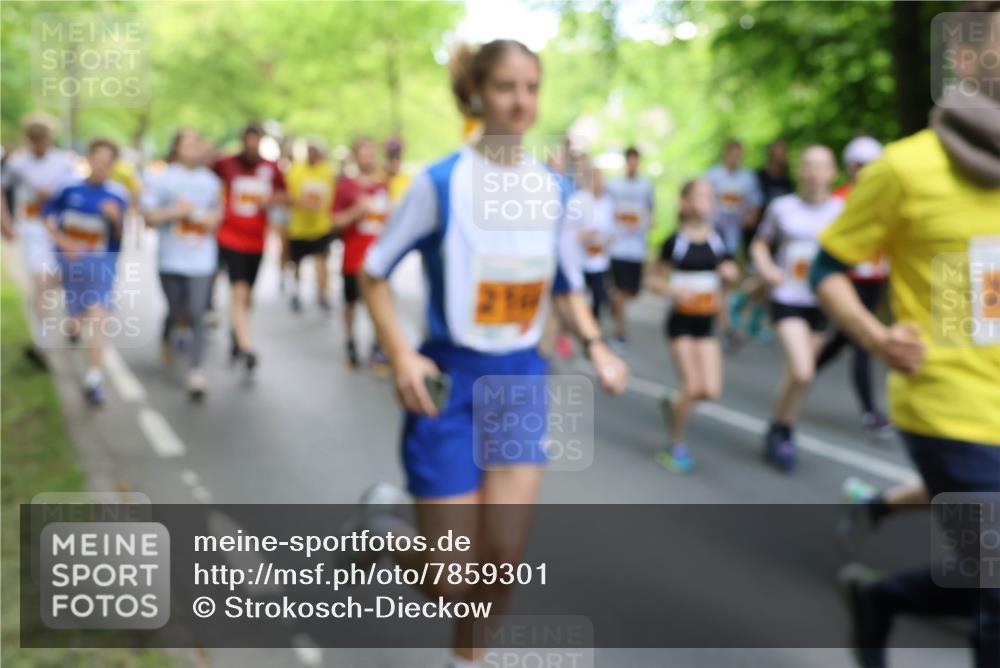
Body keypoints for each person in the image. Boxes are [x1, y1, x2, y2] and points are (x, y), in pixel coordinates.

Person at [354, 39, 628, 668]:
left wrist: (597, 348)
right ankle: (387, 530)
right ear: (477, 93)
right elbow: (373, 273)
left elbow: (564, 285)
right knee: (451, 579)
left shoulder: (555, 191)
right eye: (506, 86)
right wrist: (400, 355)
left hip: (520, 380)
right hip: (449, 382)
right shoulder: (439, 184)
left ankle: (466, 660)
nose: (520, 100)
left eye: (531, 87)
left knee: (502, 559)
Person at [813, 6, 999, 665]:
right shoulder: (905, 169)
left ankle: (882, 598)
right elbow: (828, 267)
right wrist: (874, 335)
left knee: (983, 578)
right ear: (969, 59)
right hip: (947, 409)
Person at [750, 145, 842, 471]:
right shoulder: (782, 207)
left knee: (801, 375)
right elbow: (761, 242)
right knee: (803, 370)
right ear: (800, 171)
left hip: (822, 303)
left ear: (832, 172)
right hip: (787, 298)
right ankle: (782, 428)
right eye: (809, 166)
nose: (815, 173)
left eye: (822, 167)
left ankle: (781, 428)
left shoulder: (843, 211)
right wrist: (767, 268)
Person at [646, 179, 738, 472]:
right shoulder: (676, 241)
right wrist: (673, 291)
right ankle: (675, 444)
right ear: (685, 203)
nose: (707, 201)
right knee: (692, 385)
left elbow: (727, 280)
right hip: (681, 322)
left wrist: (730, 276)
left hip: (706, 321)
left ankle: (673, 406)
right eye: (700, 196)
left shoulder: (718, 239)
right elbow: (653, 279)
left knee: (710, 390)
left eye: (710, 196)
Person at [43, 138, 129, 406]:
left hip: (101, 265)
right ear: (89, 158)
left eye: (108, 162)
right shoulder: (68, 188)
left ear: (113, 165)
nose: (102, 166)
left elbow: (120, 238)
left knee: (98, 316)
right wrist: (62, 242)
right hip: (71, 265)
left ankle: (93, 378)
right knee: (76, 316)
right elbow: (48, 216)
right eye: (98, 159)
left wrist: (116, 220)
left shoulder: (118, 195)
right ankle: (72, 326)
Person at [814, 136, 892, 435]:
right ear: (849, 167)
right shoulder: (839, 199)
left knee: (842, 340)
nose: (864, 171)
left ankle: (805, 372)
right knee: (862, 341)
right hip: (847, 281)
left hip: (875, 279)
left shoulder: (886, 196)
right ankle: (871, 412)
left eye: (869, 165)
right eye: (858, 165)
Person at [141, 128, 223, 401]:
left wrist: (214, 219)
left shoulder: (211, 181)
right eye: (187, 143)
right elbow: (149, 218)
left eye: (197, 142)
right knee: (178, 310)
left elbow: (218, 211)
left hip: (201, 258)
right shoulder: (161, 178)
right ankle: (169, 332)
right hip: (171, 259)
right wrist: (176, 212)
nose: (194, 147)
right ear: (176, 148)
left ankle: (196, 371)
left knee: (198, 312)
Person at [1, 112, 77, 366]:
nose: (39, 143)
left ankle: (71, 319)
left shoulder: (64, 162)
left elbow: (73, 196)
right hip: (33, 231)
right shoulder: (17, 164)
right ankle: (41, 341)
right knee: (42, 282)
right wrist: (6, 223)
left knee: (62, 281)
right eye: (34, 139)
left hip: (60, 231)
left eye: (43, 138)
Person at [212, 122, 287, 372]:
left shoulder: (271, 168)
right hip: (231, 237)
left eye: (256, 140)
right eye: (248, 139)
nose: (251, 144)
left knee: (248, 295)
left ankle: (237, 330)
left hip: (257, 241)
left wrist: (273, 199)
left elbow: (287, 196)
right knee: (239, 290)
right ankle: (246, 346)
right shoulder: (226, 164)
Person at [729, 139, 796, 344]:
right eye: (778, 151)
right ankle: (738, 302)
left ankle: (753, 318)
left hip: (780, 237)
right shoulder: (758, 177)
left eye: (784, 152)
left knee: (772, 280)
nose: (781, 155)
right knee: (762, 275)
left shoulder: (788, 182)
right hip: (759, 234)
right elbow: (750, 201)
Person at [332, 136, 391, 370]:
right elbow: (334, 221)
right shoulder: (346, 186)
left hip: (378, 259)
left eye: (371, 153)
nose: (368, 158)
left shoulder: (383, 186)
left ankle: (378, 347)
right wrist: (357, 210)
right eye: (363, 153)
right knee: (351, 303)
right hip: (352, 257)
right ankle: (350, 341)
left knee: (380, 303)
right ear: (356, 157)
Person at [704, 140, 763, 348]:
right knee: (713, 277)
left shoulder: (748, 178)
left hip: (732, 236)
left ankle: (722, 320)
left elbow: (754, 205)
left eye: (739, 154)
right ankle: (719, 320)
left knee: (726, 279)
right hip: (711, 234)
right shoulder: (713, 175)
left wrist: (749, 218)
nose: (735, 158)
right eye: (732, 154)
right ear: (726, 154)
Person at [606, 146, 655, 346]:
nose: (632, 164)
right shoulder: (614, 185)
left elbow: (651, 212)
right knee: (620, 290)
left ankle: (613, 301)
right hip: (618, 246)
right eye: (629, 160)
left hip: (637, 247)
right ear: (626, 162)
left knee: (632, 292)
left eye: (636, 161)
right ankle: (621, 330)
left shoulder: (646, 186)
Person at [285, 138, 335, 313]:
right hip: (298, 226)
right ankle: (296, 292)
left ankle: (323, 294)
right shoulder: (296, 170)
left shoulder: (327, 171)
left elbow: (331, 197)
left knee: (321, 260)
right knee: (297, 262)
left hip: (320, 226)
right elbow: (288, 195)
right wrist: (302, 201)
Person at [570, 163, 615, 321]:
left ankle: (593, 330)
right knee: (578, 296)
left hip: (599, 258)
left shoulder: (608, 203)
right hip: (579, 258)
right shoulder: (578, 200)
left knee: (597, 297)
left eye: (600, 179)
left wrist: (605, 240)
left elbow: (611, 231)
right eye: (595, 179)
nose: (598, 183)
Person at [384, 136, 411, 206]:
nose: (394, 162)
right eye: (391, 158)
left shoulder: (407, 180)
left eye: (397, 158)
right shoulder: (379, 178)